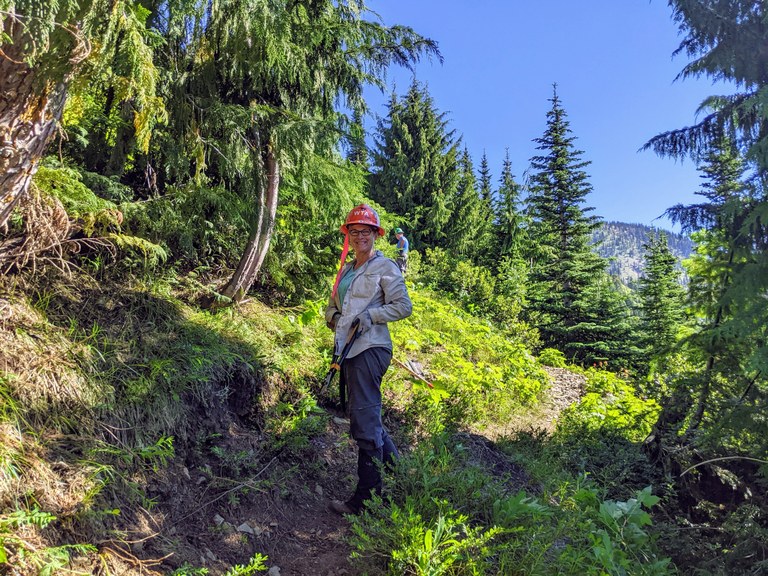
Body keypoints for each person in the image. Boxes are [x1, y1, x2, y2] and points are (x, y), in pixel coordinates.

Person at [325, 204, 413, 515]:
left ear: (376, 235)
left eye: (366, 231)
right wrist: (336, 318)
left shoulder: (384, 267)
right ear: (347, 235)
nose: (360, 236)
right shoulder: (346, 270)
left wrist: (371, 315)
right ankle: (402, 476)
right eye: (354, 231)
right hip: (348, 350)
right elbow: (332, 308)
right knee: (367, 417)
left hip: (371, 349)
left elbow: (403, 306)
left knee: (364, 422)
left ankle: (365, 500)